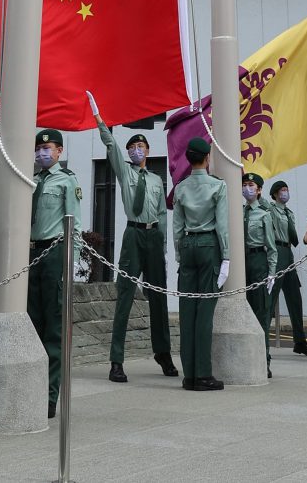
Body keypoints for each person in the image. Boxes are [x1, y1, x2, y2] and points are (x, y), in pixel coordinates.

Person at [86, 92, 177, 384]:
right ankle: (116, 360)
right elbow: (110, 145)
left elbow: (162, 214)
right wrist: (100, 119)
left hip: (153, 237)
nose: (137, 150)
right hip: (133, 235)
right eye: (133, 147)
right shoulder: (124, 172)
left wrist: (162, 246)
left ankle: (163, 353)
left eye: (141, 146)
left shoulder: (155, 180)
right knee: (124, 297)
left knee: (159, 297)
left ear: (148, 150)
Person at [29, 129, 84, 418]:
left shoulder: (67, 181)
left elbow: (72, 223)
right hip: (31, 255)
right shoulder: (31, 181)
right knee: (33, 323)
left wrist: (72, 260)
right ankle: (31, 388)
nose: (41, 153)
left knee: (52, 326)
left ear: (59, 151)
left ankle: (50, 395)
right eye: (38, 148)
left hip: (53, 253)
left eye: (47, 147)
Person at [172, 137, 227, 391]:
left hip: (187, 246)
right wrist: (226, 257)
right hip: (208, 245)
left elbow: (177, 227)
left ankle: (189, 375)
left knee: (186, 312)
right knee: (205, 312)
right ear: (206, 159)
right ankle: (203, 374)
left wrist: (179, 254)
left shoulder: (181, 187)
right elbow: (223, 226)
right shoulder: (218, 186)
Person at [268, 181, 307, 357]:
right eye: (282, 190)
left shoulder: (289, 213)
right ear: (274, 194)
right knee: (270, 297)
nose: (285, 193)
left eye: (287, 190)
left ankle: (300, 341)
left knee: (295, 297)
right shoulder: (271, 209)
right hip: (277, 250)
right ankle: (263, 341)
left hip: (288, 252)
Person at [241, 172, 277, 377]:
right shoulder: (240, 212)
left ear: (260, 190)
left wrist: (271, 273)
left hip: (258, 261)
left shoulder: (264, 213)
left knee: (261, 312)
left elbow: (271, 248)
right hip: (242, 262)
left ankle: (265, 359)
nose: (247, 188)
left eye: (251, 185)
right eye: (245, 185)